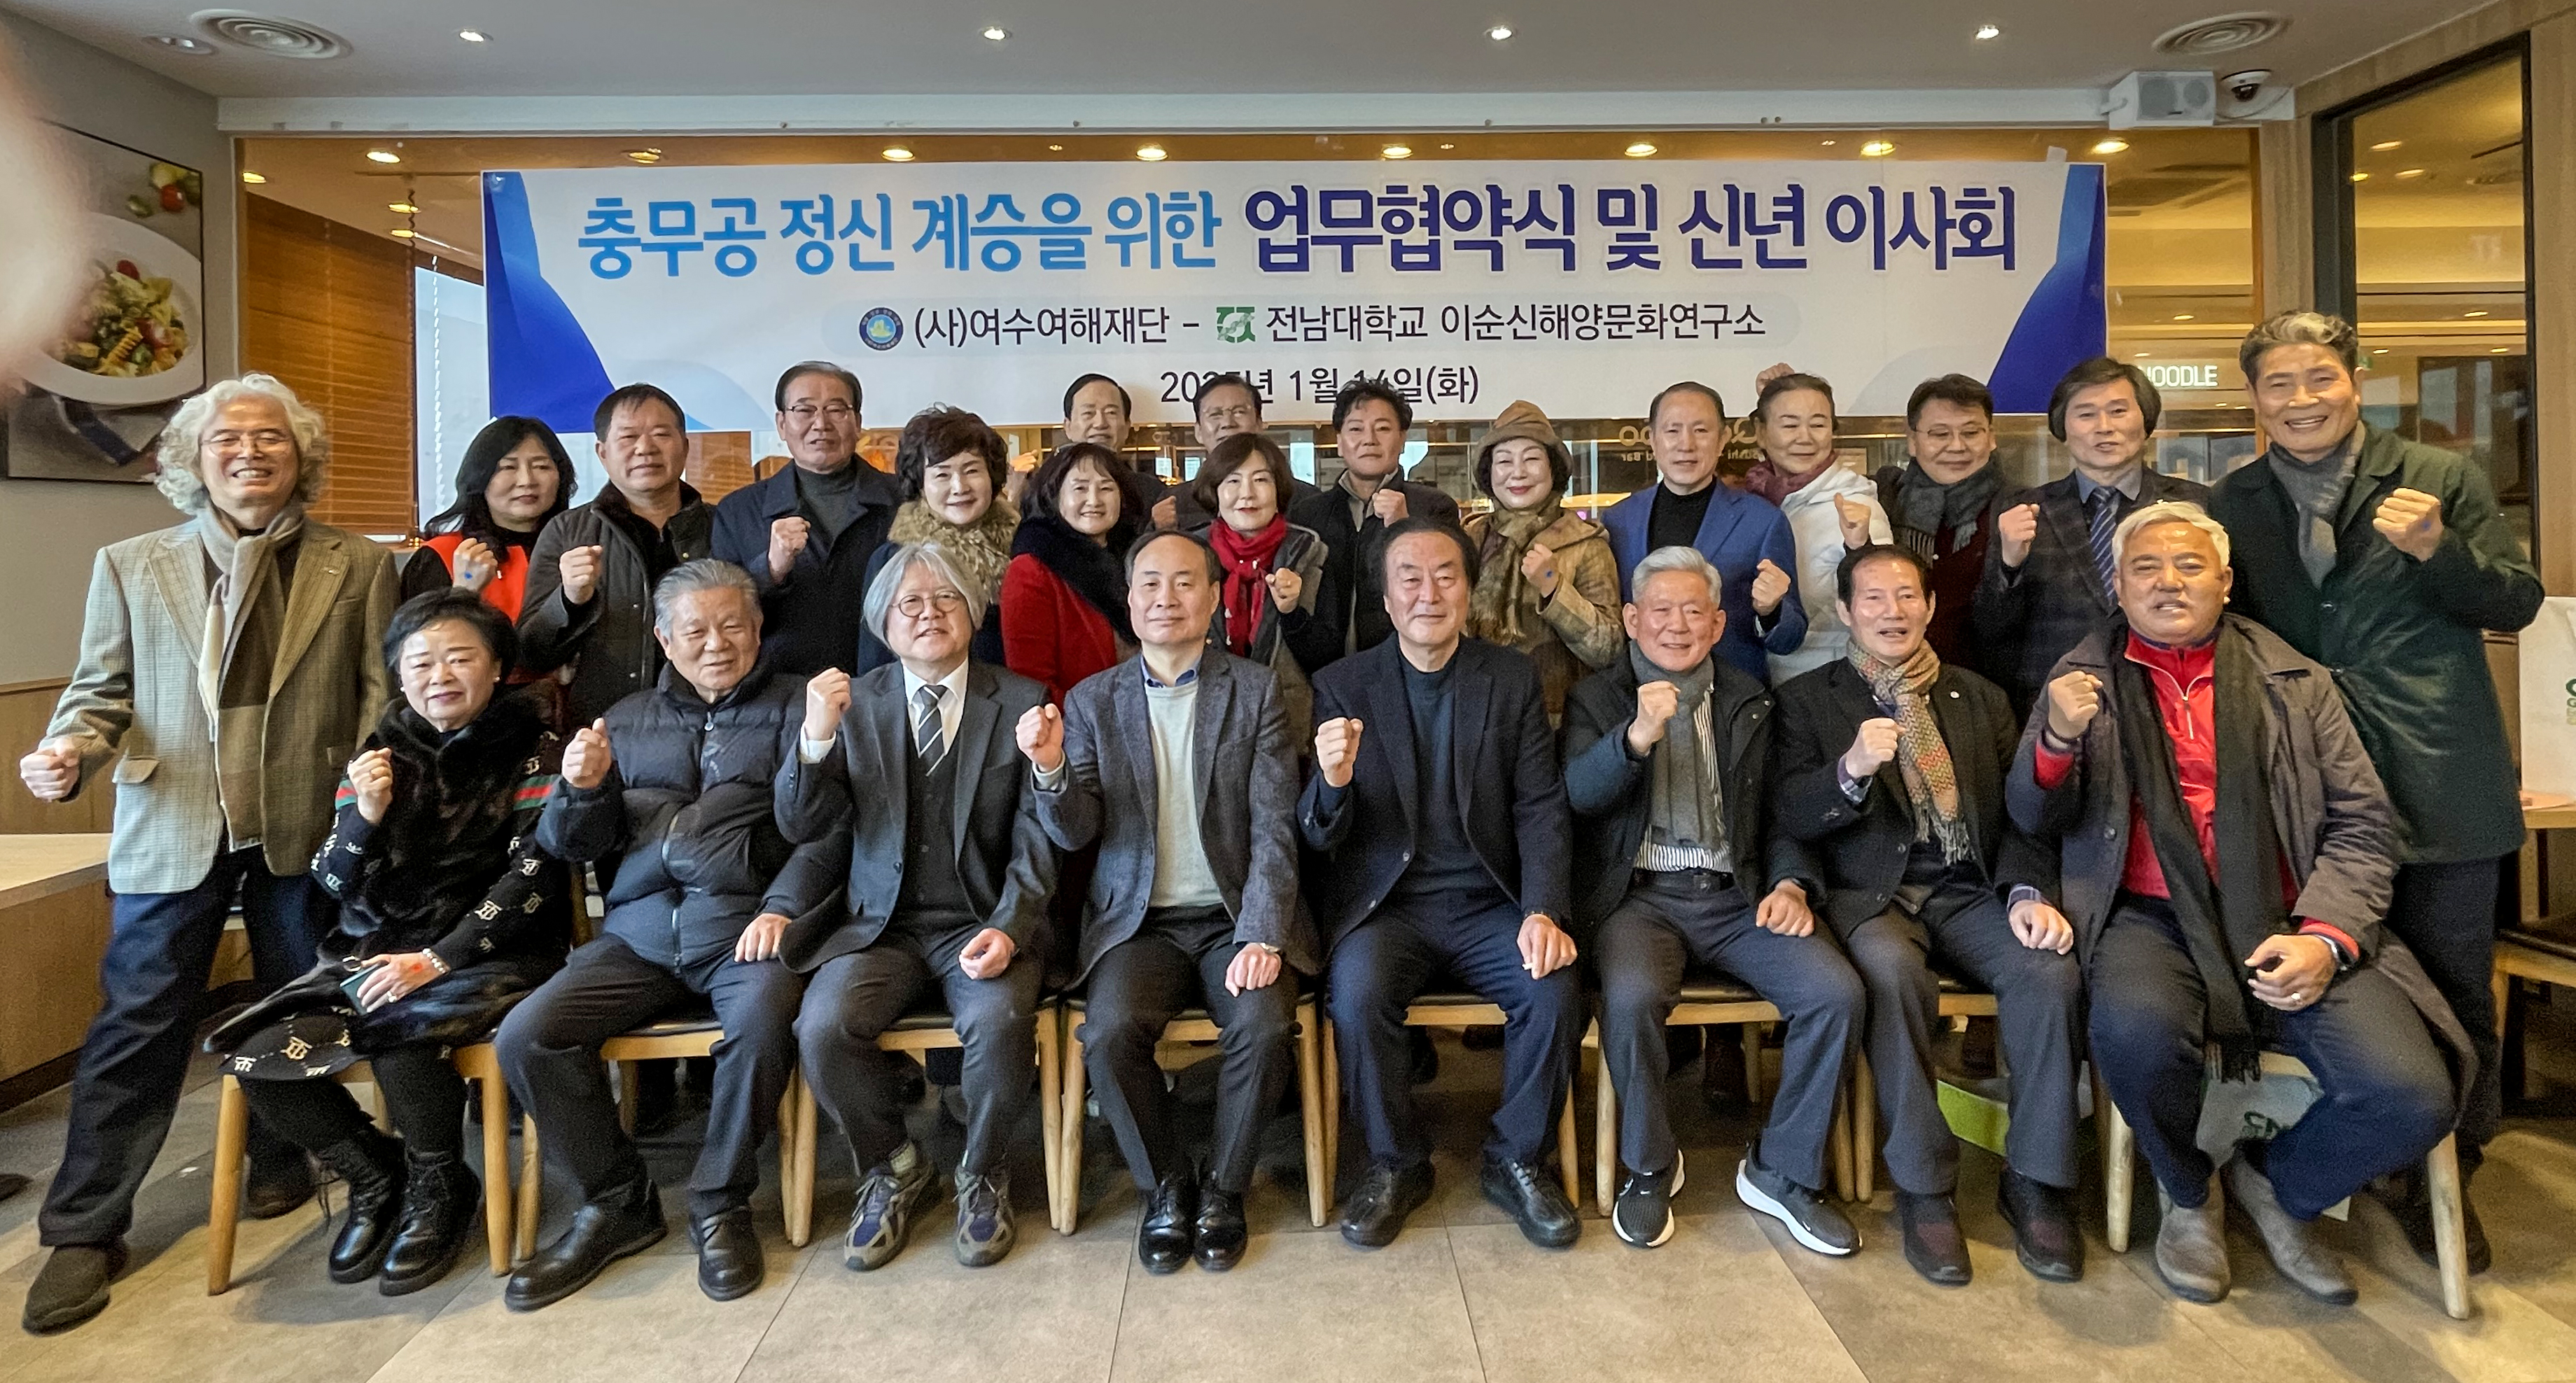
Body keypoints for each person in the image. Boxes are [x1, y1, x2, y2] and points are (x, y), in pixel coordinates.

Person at [2008, 502, 2464, 1307]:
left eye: (2188, 565)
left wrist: (2325, 937)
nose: (2167, 582)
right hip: (2145, 918)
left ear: (2223, 581)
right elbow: (2031, 817)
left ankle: (2276, 1184)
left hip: (2288, 920)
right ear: (2117, 587)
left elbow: (2362, 825)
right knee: (2134, 1034)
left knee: (2410, 1093)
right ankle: (2187, 1194)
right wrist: (2055, 737)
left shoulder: (2297, 682)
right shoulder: (2079, 680)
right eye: (2145, 567)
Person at [16, 373, 398, 1334]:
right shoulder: (131, 564)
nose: (250, 451)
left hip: (303, 821)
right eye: (228, 438)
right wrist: (68, 751)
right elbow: (100, 692)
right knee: (138, 1019)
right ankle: (84, 1225)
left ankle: (279, 1155)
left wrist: (366, 811)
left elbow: (375, 698)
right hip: (177, 816)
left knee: (295, 1004)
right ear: (192, 459)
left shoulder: (356, 563)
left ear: (302, 459)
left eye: (272, 438)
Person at [2208, 310, 2540, 1270]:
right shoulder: (2235, 500)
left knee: (2456, 984)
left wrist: (2441, 550)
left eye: (2318, 378)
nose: (2300, 400)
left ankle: (2450, 1170)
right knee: (2339, 983)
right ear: (2255, 398)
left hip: (2438, 770)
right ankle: (2354, 1141)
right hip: (2306, 785)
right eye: (2278, 384)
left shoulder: (2438, 478)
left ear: (2354, 380)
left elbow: (2515, 601)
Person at [208, 590, 568, 1297]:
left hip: (491, 949)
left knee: (398, 1032)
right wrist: (364, 817)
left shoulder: (535, 749)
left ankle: (440, 1184)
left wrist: (437, 958)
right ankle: (379, 1176)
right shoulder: (379, 754)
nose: (440, 675)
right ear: (400, 675)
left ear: (497, 667)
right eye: (421, 662)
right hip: (370, 951)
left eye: (460, 658)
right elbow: (329, 881)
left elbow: (536, 876)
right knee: (255, 1051)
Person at [495, 561, 834, 1311]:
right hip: (638, 934)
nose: (716, 643)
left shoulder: (798, 708)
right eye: (696, 630)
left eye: (733, 625)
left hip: (746, 927)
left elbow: (829, 832)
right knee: (528, 1034)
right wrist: (580, 790)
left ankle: (720, 1200)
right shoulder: (622, 719)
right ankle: (616, 1200)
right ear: (663, 638)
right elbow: (574, 846)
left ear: (758, 628)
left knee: (762, 1018)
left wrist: (783, 906)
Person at [1773, 544, 2085, 1286]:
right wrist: (1848, 771)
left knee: (2048, 973)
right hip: (1873, 896)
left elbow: (2023, 817)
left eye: (1906, 596)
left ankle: (2036, 1178)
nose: (1892, 612)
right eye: (1873, 599)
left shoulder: (1979, 696)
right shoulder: (1809, 699)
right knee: (1890, 974)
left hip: (1970, 887)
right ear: (1844, 611)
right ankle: (1924, 1183)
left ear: (1930, 605)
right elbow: (1788, 813)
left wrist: (2027, 893)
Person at [1023, 528, 1313, 1273]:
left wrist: (1262, 933)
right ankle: (1166, 1184)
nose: (1166, 597)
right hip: (1139, 923)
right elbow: (1076, 829)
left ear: (1214, 597)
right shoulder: (1093, 700)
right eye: (1149, 583)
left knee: (1263, 1023)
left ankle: (1224, 1188)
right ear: (1129, 600)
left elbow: (1274, 827)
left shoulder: (1254, 690)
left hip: (1232, 917)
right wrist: (1051, 770)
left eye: (1185, 582)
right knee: (1109, 1033)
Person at [1565, 547, 1863, 1254]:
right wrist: (1633, 740)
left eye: (1693, 611)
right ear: (1631, 620)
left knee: (1835, 993)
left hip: (1738, 894)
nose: (1677, 625)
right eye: (1660, 611)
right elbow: (1577, 796)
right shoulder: (1597, 697)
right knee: (1631, 997)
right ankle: (1649, 1166)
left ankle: (1781, 1170)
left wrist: (1790, 882)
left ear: (1719, 622)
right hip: (1639, 898)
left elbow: (1781, 811)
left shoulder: (1749, 697)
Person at [1301, 519, 1581, 1251]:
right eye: (1410, 578)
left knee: (1552, 987)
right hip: (1388, 908)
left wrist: (1543, 909)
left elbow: (1539, 806)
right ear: (1385, 599)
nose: (1429, 593)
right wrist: (1332, 782)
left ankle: (1516, 1158)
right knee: (1357, 994)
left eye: (1446, 575)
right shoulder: (1342, 685)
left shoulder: (1509, 677)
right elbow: (1318, 834)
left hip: (1490, 902)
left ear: (1468, 590)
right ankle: (1395, 1163)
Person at [781, 545, 1058, 1271]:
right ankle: (895, 1164)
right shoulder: (852, 704)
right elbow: (802, 823)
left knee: (999, 1020)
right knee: (823, 1026)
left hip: (984, 920)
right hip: (881, 926)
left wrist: (1010, 926)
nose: (929, 614)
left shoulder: (1022, 699)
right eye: (911, 603)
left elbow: (1038, 840)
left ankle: (983, 1172)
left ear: (973, 612)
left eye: (946, 599)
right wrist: (815, 737)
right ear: (884, 623)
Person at [1973, 358, 2208, 715]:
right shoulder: (2024, 509)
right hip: (2056, 704)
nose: (2104, 427)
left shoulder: (2194, 506)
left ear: (2145, 420)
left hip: (2173, 699)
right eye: (2086, 415)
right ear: (2063, 429)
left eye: (2118, 411)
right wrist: (2009, 564)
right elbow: (1991, 629)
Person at [519, 383, 716, 729]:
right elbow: (532, 654)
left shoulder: (724, 524)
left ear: (685, 447)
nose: (645, 448)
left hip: (713, 722)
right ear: (602, 452)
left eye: (661, 434)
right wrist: (569, 600)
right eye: (628, 437)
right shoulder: (567, 532)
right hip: (606, 728)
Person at [1600, 382, 1802, 683]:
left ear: (1722, 440)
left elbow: (1791, 638)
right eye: (1673, 431)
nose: (1686, 444)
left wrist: (1771, 611)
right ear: (1652, 439)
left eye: (1701, 430)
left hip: (1731, 696)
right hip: (1638, 693)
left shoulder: (1763, 521)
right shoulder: (1618, 520)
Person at [709, 361, 901, 677]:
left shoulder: (903, 501)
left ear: (857, 423)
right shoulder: (739, 511)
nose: (821, 424)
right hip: (779, 689)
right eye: (804, 410)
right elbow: (720, 614)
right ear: (782, 424)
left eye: (836, 410)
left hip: (886, 686)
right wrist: (770, 570)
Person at [1288, 380, 1464, 666]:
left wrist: (1401, 527)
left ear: (1402, 439)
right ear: (1340, 442)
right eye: (1356, 429)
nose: (1369, 440)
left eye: (1382, 428)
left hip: (1409, 669)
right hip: (1321, 670)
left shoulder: (1435, 507)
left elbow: (1451, 587)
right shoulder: (1308, 514)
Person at [1464, 400, 1622, 720]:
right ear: (1488, 472)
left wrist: (1554, 588)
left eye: (1532, 459)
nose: (1518, 473)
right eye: (1504, 461)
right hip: (1478, 714)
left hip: (1560, 722)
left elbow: (1609, 650)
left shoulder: (1585, 543)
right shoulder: (1469, 539)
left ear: (1553, 468)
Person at [1737, 373, 1892, 683]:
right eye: (1790, 425)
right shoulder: (1751, 503)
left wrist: (1860, 549)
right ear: (1761, 433)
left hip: (1827, 685)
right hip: (1755, 681)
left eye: (1818, 425)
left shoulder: (1858, 507)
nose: (1805, 437)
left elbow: (1881, 608)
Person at [1189, 433, 1329, 748]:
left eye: (1261, 480)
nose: (1247, 494)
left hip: (1286, 730)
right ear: (1215, 492)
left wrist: (1292, 613)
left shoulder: (1311, 552)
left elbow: (1327, 656)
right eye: (1233, 481)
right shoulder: (1188, 554)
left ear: (1279, 490)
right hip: (1203, 728)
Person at [855, 405, 1018, 673]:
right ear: (920, 484)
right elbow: (875, 669)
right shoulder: (893, 560)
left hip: (1021, 695)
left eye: (972, 471)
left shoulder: (1024, 549)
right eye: (942, 475)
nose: (959, 487)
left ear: (992, 476)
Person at [1002, 442, 1149, 703]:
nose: (1094, 500)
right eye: (1080, 488)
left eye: (1106, 488)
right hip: (1075, 721)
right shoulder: (1033, 568)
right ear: (1055, 496)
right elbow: (1032, 683)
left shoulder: (1136, 558)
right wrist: (1087, 721)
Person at [1876, 374, 2005, 669]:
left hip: (1987, 683)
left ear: (1991, 437)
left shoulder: (2019, 508)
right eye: (1939, 434)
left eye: (1971, 433)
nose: (1957, 446)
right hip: (1894, 676)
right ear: (1912, 441)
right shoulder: (1885, 500)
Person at [403, 416, 578, 619]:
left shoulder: (583, 549)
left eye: (541, 467)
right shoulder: (442, 555)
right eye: (508, 467)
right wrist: (464, 592)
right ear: (480, 477)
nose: (527, 481)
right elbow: (417, 636)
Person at [1168, 372, 1318, 530]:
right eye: (1215, 415)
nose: (1227, 423)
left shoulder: (1306, 500)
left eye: (1239, 412)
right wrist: (1162, 528)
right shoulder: (1175, 502)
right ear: (1198, 431)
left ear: (1259, 423)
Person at [1063, 372, 1163, 507]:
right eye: (1088, 413)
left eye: (1111, 413)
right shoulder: (1047, 489)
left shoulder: (1152, 493)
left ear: (1127, 426)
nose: (1100, 423)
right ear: (1068, 426)